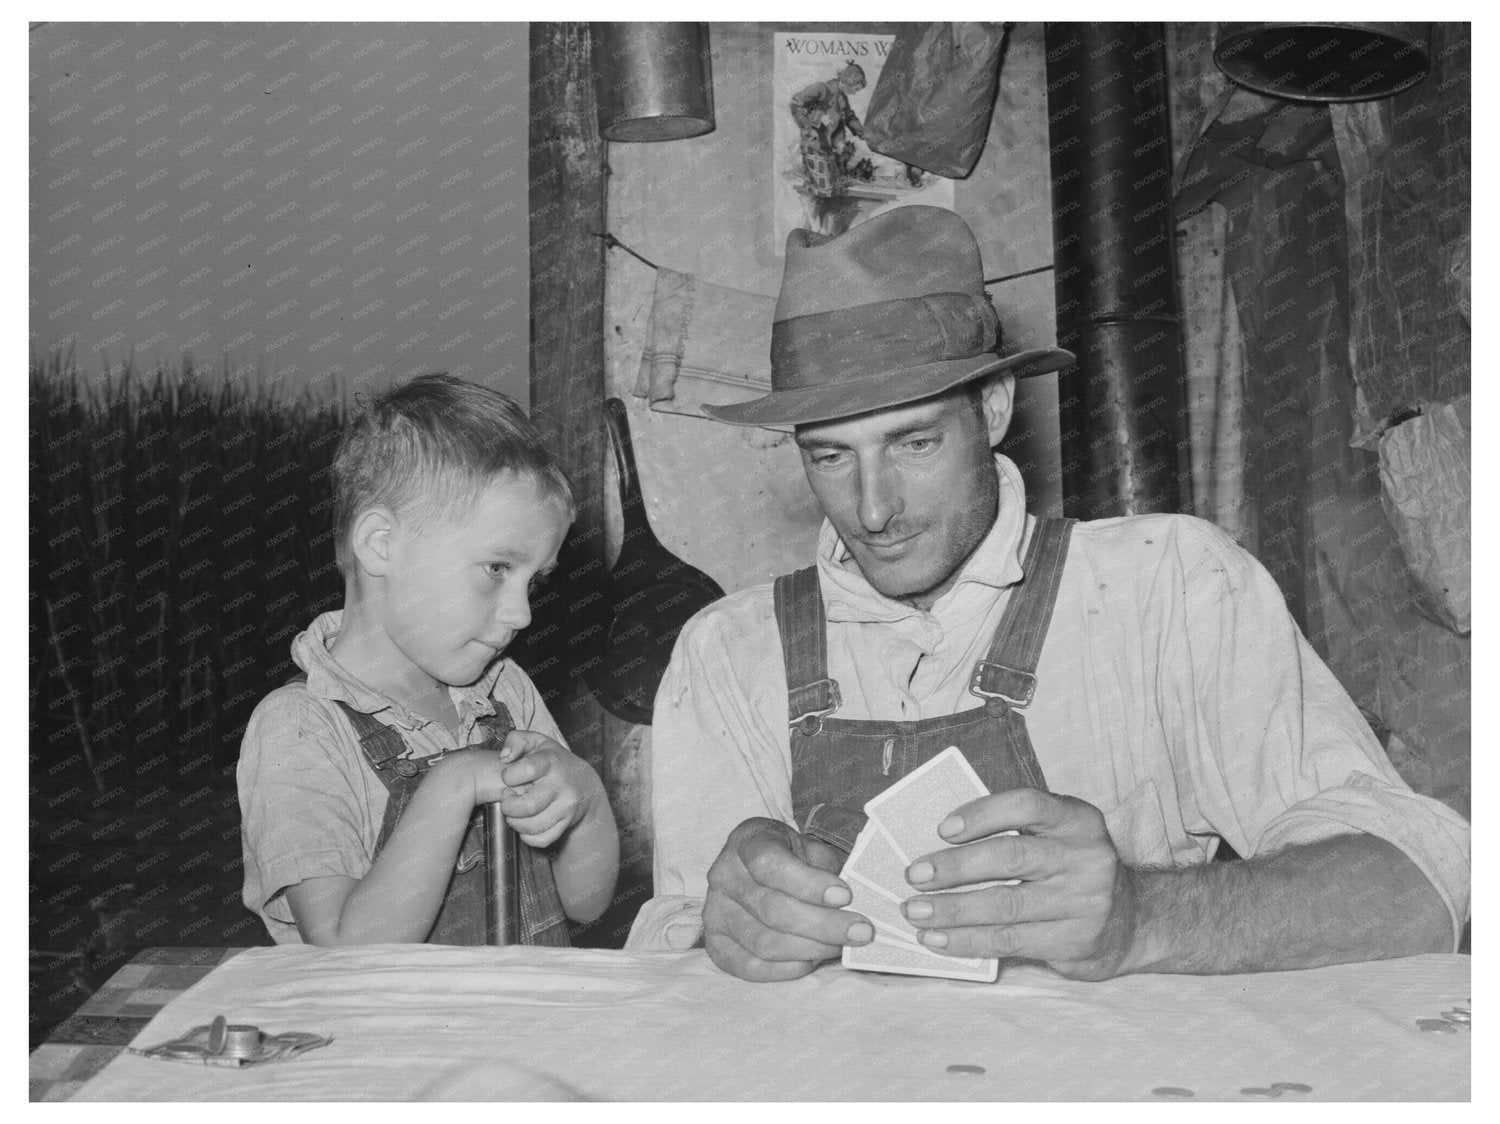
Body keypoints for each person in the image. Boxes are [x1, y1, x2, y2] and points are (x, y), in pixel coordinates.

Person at [625, 206, 1469, 982]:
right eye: (830, 457)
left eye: (913, 443)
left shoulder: (1167, 584)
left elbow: (1415, 887)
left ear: (992, 409)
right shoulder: (727, 652)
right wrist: (724, 929)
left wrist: (1143, 916)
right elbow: (669, 973)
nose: (872, 510)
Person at [238, 374, 619, 945]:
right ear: (381, 545)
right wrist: (454, 782)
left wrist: (585, 798)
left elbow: (585, 903)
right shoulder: (301, 727)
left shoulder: (506, 693)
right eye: (497, 568)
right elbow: (347, 949)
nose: (521, 614)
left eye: (532, 581)